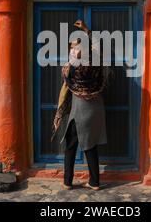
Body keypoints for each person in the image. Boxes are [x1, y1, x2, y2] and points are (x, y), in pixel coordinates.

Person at [52, 20, 108, 190]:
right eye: (71, 47)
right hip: (96, 107)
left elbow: (67, 87)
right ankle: (94, 181)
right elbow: (97, 45)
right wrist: (87, 30)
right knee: (90, 144)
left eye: (75, 47)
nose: (72, 50)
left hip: (80, 109)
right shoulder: (96, 61)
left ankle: (68, 181)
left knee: (71, 145)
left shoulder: (70, 68)